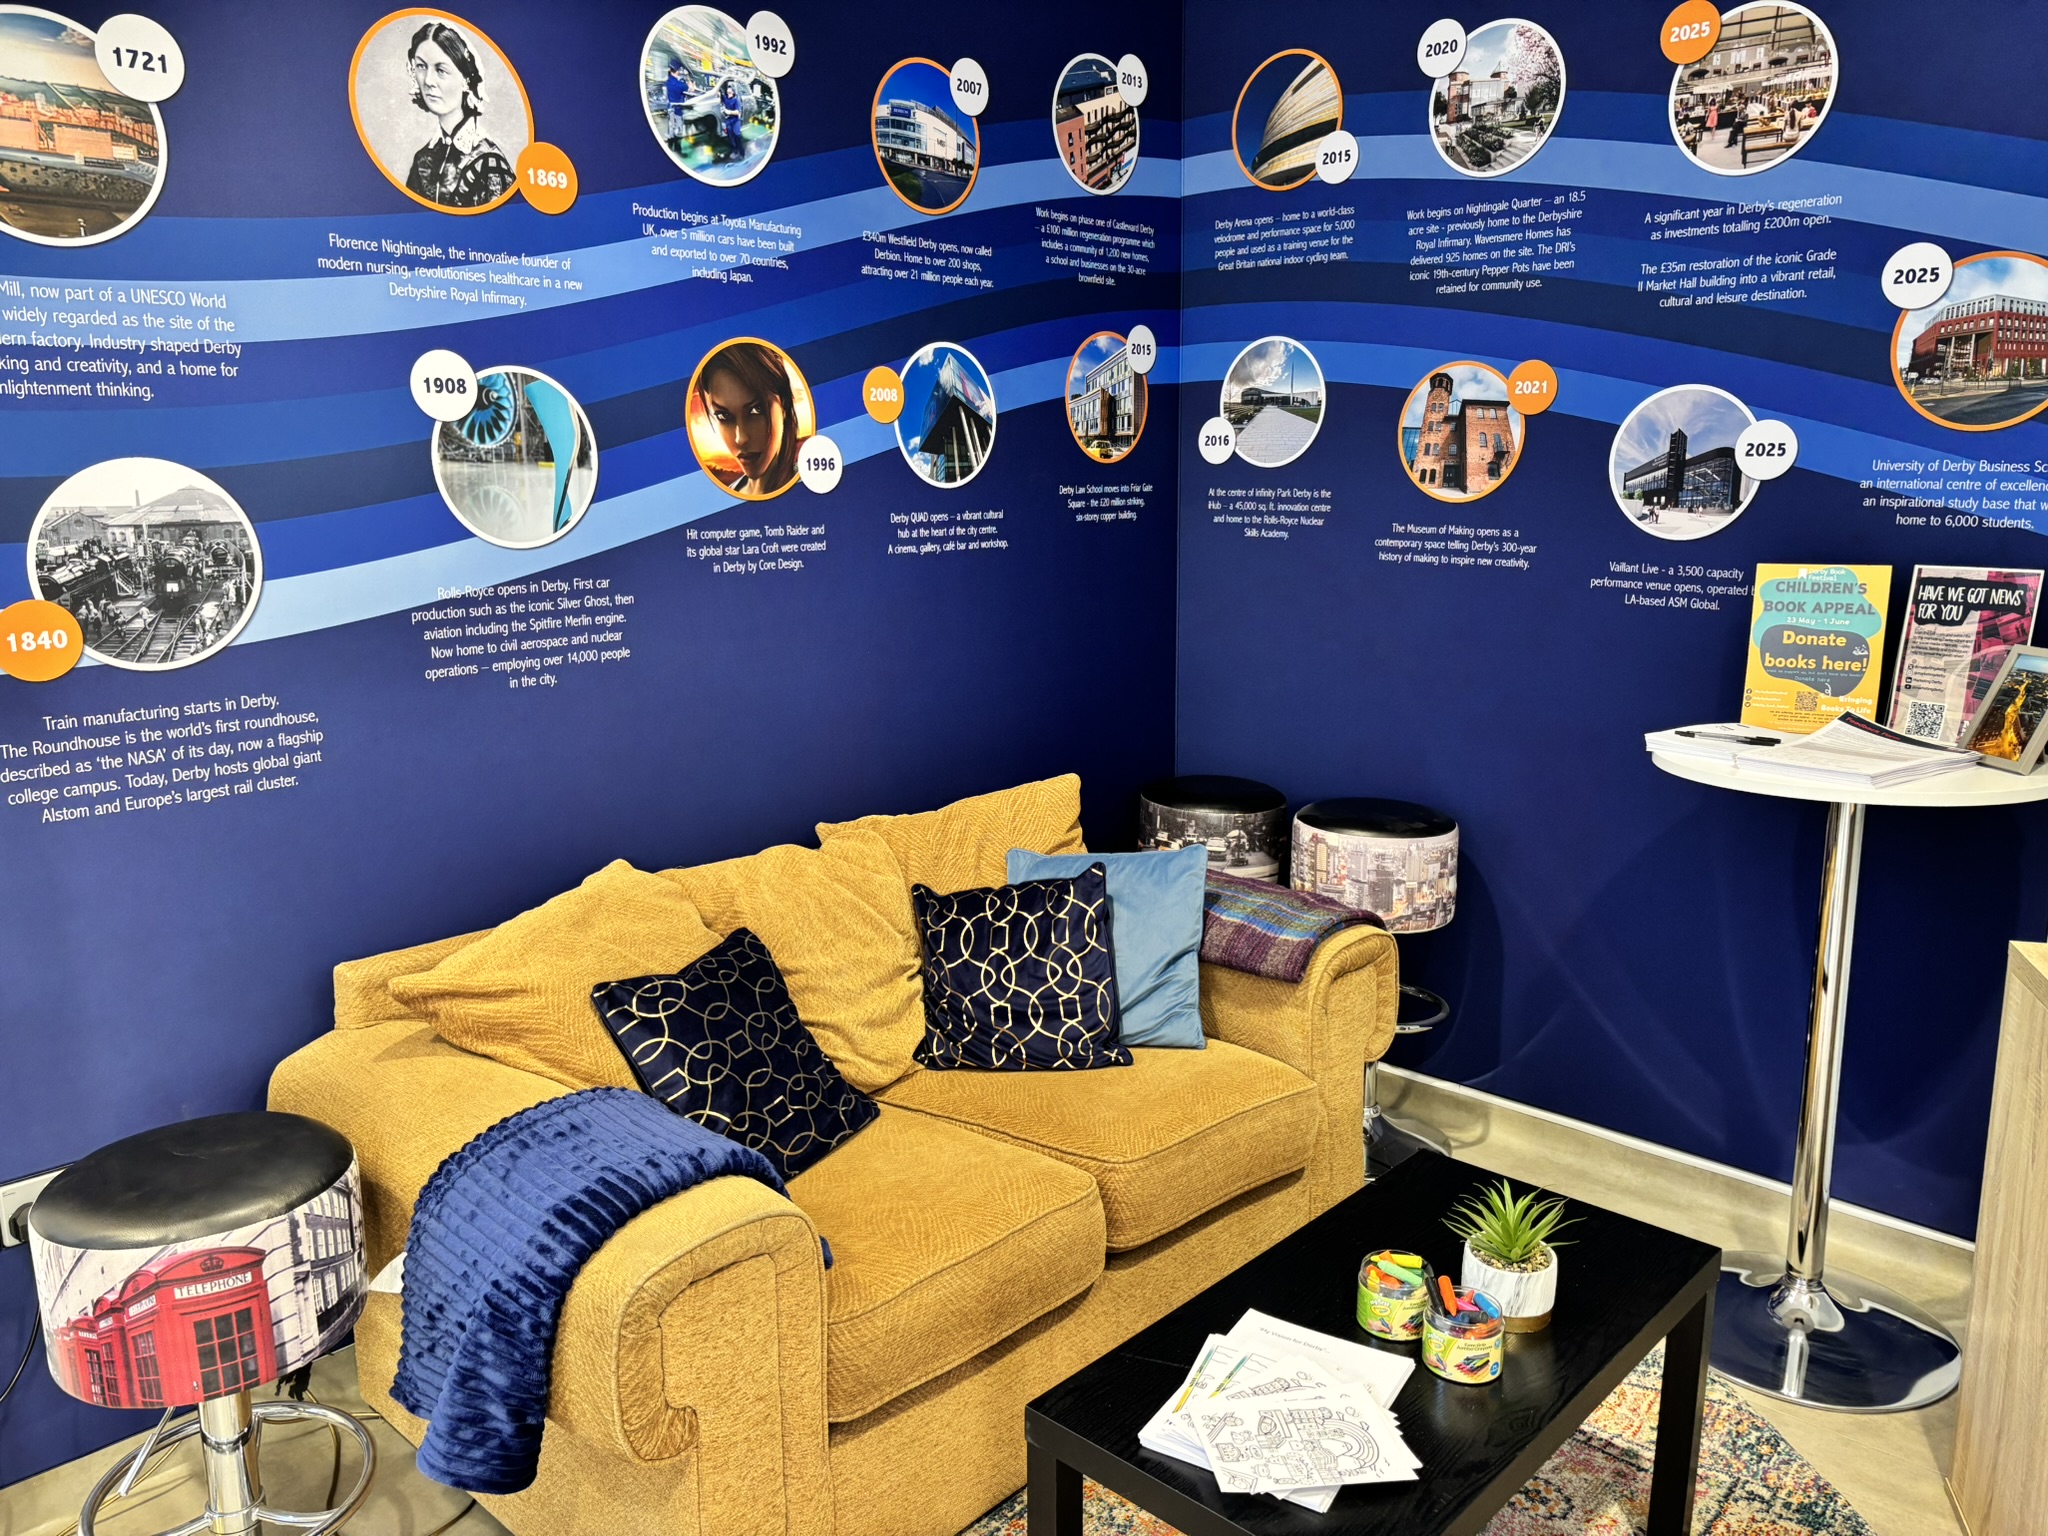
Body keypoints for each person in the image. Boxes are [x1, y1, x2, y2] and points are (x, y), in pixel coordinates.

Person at [402, 21, 514, 210]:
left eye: (441, 70)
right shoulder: (422, 159)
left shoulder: (490, 163)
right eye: (421, 66)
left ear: (466, 80)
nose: (428, 81)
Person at [693, 341, 802, 498]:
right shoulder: (732, 492)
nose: (741, 438)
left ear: (784, 404)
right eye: (724, 416)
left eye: (756, 410)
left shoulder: (808, 485)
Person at [663, 60, 692, 152]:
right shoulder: (680, 85)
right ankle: (678, 150)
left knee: (671, 129)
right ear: (678, 71)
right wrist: (688, 77)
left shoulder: (668, 82)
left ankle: (670, 148)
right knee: (678, 130)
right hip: (678, 110)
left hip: (670, 108)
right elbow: (691, 88)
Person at [719, 77, 744, 162]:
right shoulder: (725, 98)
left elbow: (737, 112)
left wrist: (728, 112)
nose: (728, 91)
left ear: (733, 92)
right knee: (731, 137)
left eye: (730, 91)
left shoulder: (736, 100)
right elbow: (719, 94)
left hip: (735, 120)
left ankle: (741, 153)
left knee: (737, 135)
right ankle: (735, 150)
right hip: (728, 121)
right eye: (728, 90)